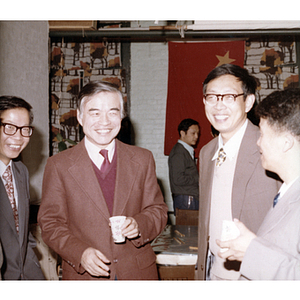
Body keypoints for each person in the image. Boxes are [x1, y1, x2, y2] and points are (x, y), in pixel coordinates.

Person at [38, 81, 168, 280]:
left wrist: (139, 224)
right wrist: (80, 253)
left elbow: (157, 210)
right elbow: (50, 223)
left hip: (137, 274)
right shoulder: (59, 165)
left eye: (112, 112)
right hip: (85, 277)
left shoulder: (143, 159)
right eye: (95, 112)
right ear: (80, 117)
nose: (105, 122)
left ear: (122, 116)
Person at [196, 64, 281, 280]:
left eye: (229, 97)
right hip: (214, 271)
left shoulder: (271, 145)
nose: (219, 105)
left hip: (256, 274)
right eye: (212, 97)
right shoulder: (207, 152)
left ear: (248, 102)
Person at [217, 88, 300, 280]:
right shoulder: (287, 190)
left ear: (286, 143)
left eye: (262, 134)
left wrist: (251, 252)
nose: (258, 142)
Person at [0, 96, 44, 280]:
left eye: (25, 129)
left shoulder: (20, 171)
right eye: (9, 127)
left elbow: (22, 234)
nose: (18, 137)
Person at [168, 118, 200, 215]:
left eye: (198, 133)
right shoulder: (179, 152)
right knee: (187, 229)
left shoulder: (184, 151)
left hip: (188, 199)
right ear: (182, 133)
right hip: (186, 200)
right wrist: (199, 178)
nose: (196, 136)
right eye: (193, 133)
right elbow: (178, 179)